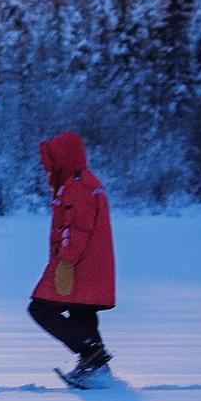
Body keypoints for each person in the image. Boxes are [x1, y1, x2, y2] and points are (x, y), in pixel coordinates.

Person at [28, 130, 117, 384]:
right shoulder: (83, 182)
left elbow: (77, 229)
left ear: (64, 157)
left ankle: (93, 355)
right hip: (90, 266)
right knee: (82, 313)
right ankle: (96, 370)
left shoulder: (78, 186)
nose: (48, 167)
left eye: (52, 160)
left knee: (40, 308)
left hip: (78, 265)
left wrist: (66, 261)